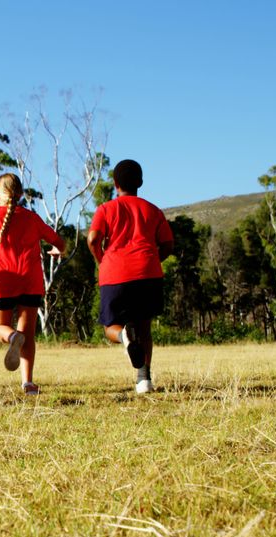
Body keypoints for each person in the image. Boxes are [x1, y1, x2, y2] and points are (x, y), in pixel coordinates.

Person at [0, 173, 65, 395]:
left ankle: (12, 337)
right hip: (30, 281)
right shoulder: (32, 218)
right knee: (28, 335)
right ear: (21, 194)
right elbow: (59, 242)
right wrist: (57, 250)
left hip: (3, 281)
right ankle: (28, 383)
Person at [86, 159, 174, 394]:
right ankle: (144, 380)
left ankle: (123, 337)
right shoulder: (153, 210)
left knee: (110, 327)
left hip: (115, 272)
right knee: (144, 328)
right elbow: (167, 243)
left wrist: (101, 260)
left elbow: (93, 239)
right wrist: (154, 260)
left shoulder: (105, 209)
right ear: (141, 183)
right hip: (148, 272)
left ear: (115, 184)